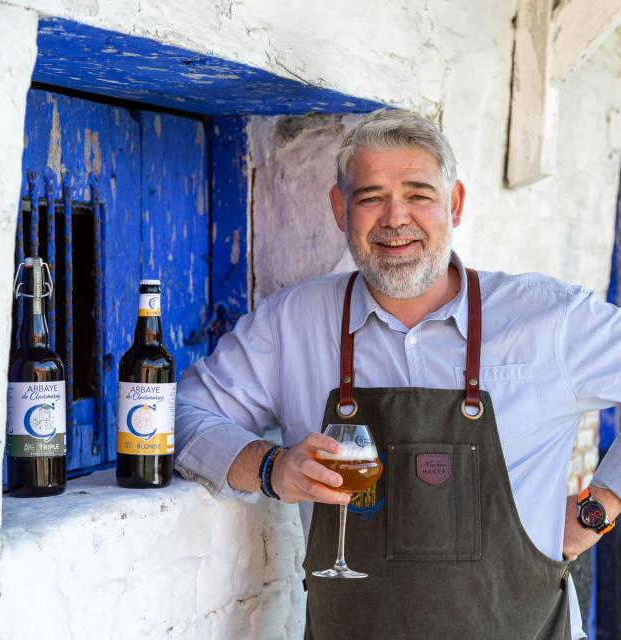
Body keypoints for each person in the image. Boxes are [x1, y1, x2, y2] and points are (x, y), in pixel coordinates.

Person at [175, 109, 621, 639]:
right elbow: (177, 414)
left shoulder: (550, 318)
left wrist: (602, 505)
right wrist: (270, 468)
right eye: (370, 198)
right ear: (340, 209)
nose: (395, 218)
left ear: (453, 204)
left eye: (418, 194)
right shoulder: (292, 323)